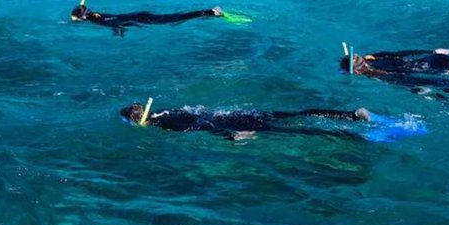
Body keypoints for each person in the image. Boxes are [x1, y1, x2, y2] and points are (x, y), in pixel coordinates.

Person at [120, 101, 373, 141]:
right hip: (231, 114)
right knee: (294, 115)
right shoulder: (162, 111)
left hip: (228, 124)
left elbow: (200, 126)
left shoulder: (161, 124)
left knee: (295, 132)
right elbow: (197, 113)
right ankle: (351, 115)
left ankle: (349, 135)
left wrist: (230, 136)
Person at [70, 2, 224, 36]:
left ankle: (210, 12)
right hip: (139, 14)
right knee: (174, 18)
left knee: (176, 19)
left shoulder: (94, 20)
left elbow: (114, 23)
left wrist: (118, 32)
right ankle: (208, 13)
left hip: (142, 19)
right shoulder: (94, 14)